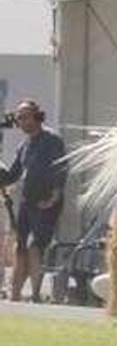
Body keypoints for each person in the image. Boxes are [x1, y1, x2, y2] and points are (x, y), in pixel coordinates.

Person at [0, 100, 67, 302]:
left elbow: (61, 168)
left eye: (25, 116)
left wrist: (54, 196)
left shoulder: (52, 140)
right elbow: (11, 175)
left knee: (34, 246)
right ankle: (15, 295)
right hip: (27, 204)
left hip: (46, 202)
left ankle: (37, 296)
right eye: (19, 118)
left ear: (38, 116)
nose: (21, 121)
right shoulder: (24, 146)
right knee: (20, 248)